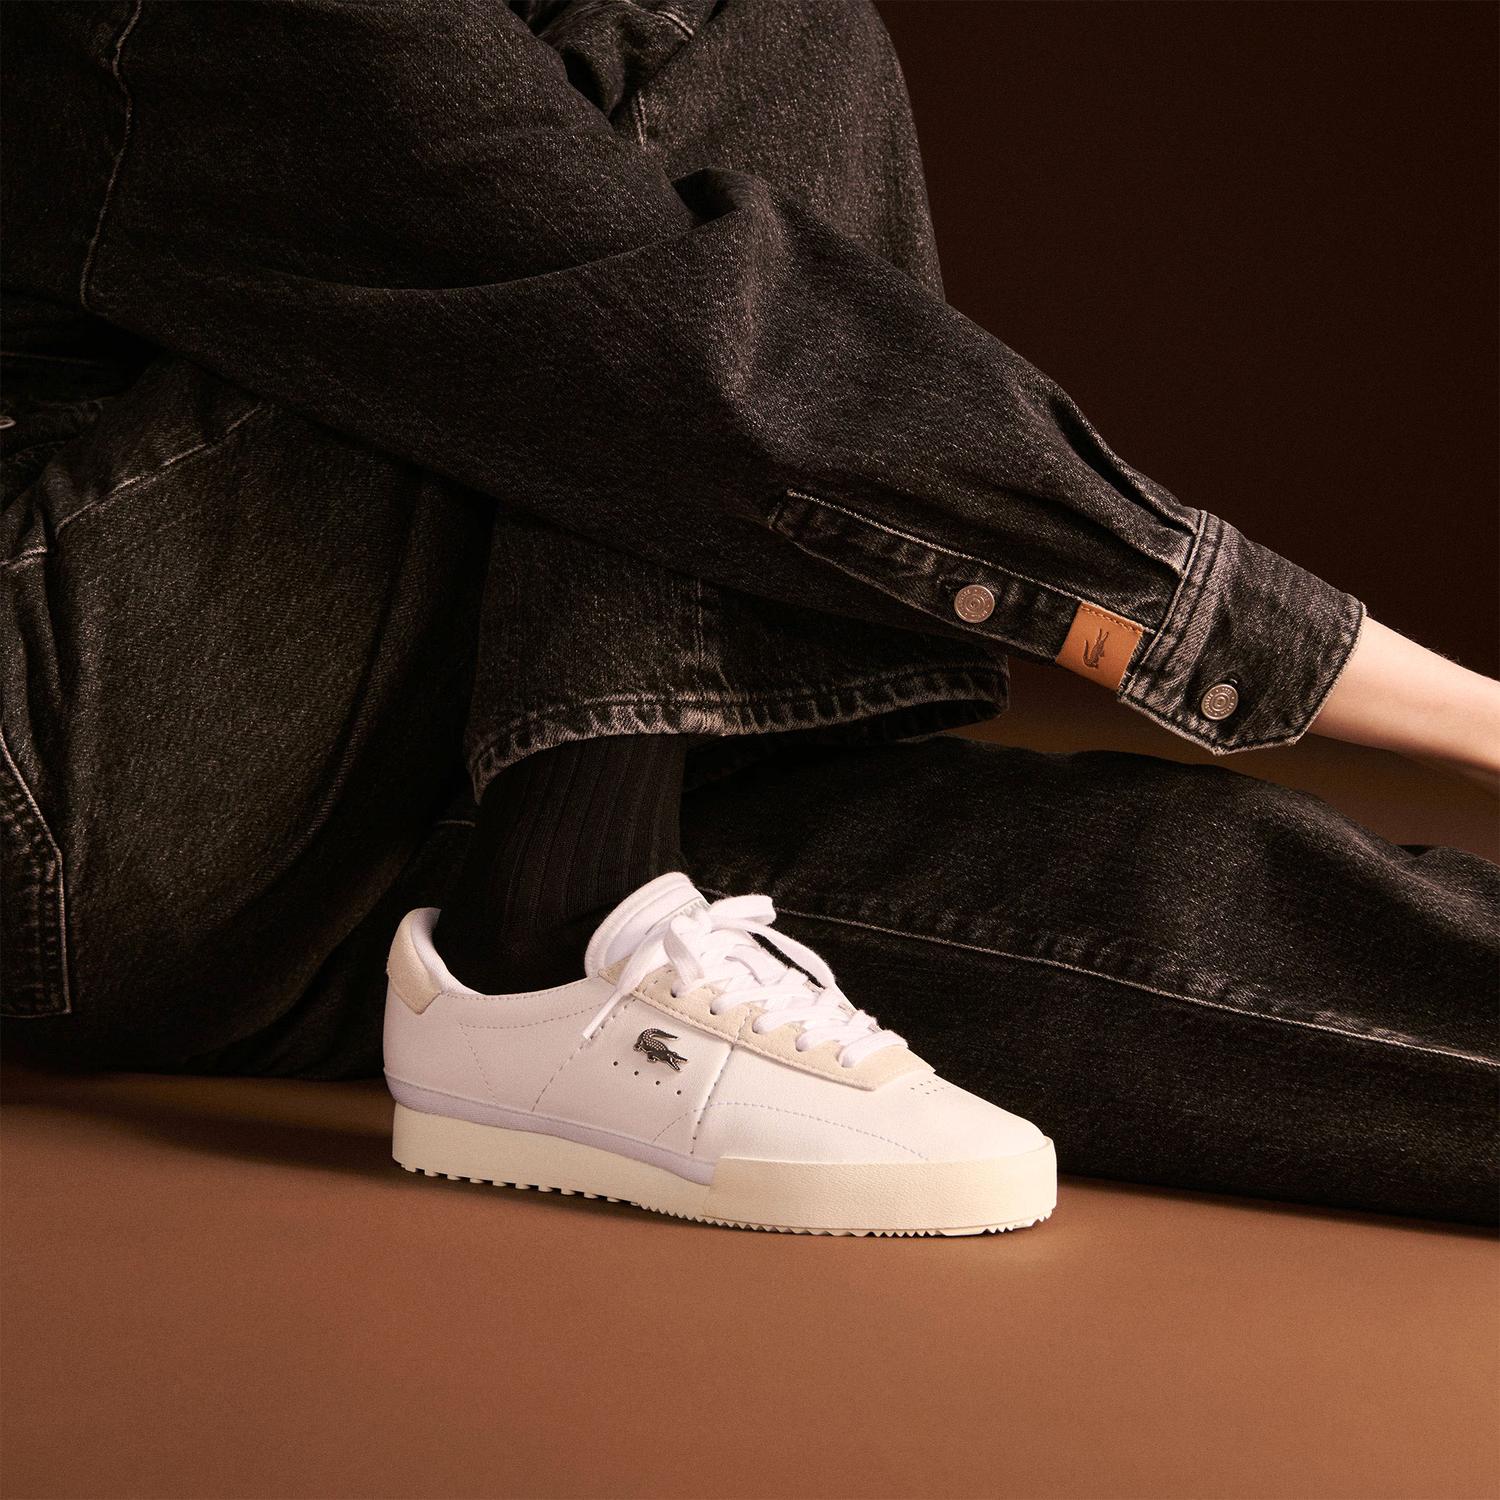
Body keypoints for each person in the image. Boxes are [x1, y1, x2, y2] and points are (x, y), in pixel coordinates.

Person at [2, 0, 1495, 1228]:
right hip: (91, 790)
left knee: (1160, 908)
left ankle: (571, 913)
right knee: (754, 28)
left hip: (330, 823)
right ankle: (565, 931)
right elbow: (718, 366)